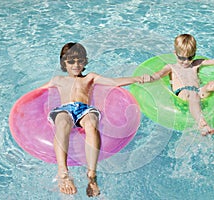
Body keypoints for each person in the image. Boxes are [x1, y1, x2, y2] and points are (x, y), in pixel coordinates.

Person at [40, 42, 147, 196]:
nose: (76, 65)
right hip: (65, 109)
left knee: (91, 124)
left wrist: (137, 78)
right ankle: (63, 173)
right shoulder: (58, 79)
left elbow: (113, 82)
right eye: (71, 61)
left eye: (80, 61)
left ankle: (92, 174)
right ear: (64, 63)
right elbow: (37, 93)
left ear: (85, 62)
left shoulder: (89, 78)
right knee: (62, 122)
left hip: (84, 110)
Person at [144, 34, 214, 136]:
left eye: (190, 57)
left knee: (210, 86)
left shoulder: (196, 63)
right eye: (182, 58)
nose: (186, 62)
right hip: (182, 94)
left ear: (194, 54)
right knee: (192, 94)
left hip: (198, 92)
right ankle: (202, 124)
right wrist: (149, 78)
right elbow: (158, 75)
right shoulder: (171, 67)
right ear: (175, 54)